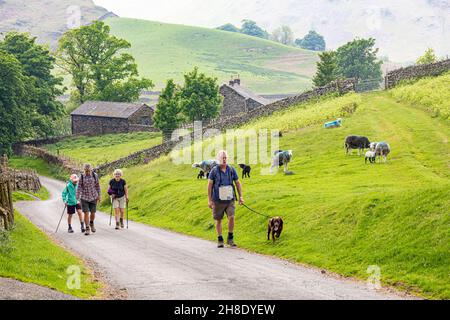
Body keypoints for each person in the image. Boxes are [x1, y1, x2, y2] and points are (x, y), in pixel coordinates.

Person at [207, 150, 244, 248]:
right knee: (218, 220)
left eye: (225, 158)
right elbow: (209, 186)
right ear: (218, 159)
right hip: (217, 201)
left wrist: (241, 197)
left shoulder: (231, 169)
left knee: (231, 217)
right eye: (222, 158)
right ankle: (220, 239)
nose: (224, 160)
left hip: (230, 199)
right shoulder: (214, 171)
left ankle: (230, 238)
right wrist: (209, 200)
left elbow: (237, 183)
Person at [76, 163, 101, 236]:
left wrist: (99, 195)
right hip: (84, 197)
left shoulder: (95, 175)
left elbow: (97, 186)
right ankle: (87, 228)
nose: (87, 172)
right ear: (84, 170)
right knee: (86, 213)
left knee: (93, 213)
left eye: (89, 171)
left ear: (91, 170)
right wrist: (77, 196)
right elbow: (79, 187)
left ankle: (91, 223)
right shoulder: (81, 177)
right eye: (86, 171)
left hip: (93, 196)